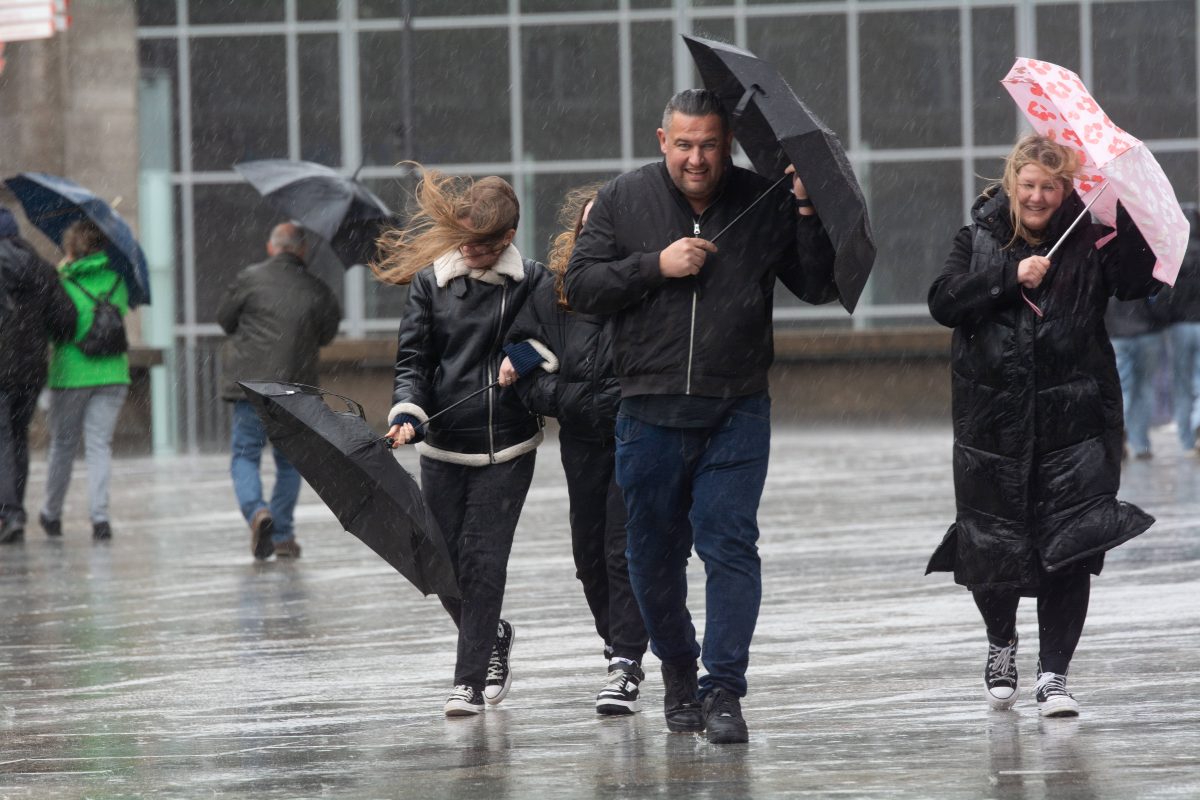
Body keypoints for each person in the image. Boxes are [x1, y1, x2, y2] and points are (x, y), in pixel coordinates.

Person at [563, 89, 839, 744]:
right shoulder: (624, 199)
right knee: (651, 555)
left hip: (736, 405)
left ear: (727, 145)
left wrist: (804, 207)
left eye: (709, 145)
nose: (696, 158)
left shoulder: (762, 197)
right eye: (683, 144)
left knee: (730, 543)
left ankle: (724, 689)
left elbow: (820, 282)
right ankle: (680, 674)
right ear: (663, 141)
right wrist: (655, 265)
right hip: (649, 407)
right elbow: (583, 285)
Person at [926, 133, 1159, 718]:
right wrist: (1009, 278)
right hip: (991, 428)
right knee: (992, 545)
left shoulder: (1090, 242)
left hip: (1075, 425)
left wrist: (1125, 219)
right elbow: (943, 302)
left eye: (1048, 187)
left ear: (1066, 190)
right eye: (1027, 185)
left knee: (1071, 546)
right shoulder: (977, 239)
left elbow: (1140, 283)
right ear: (1011, 185)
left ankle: (1054, 674)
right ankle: (1001, 644)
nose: (1036, 197)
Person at [375, 170, 551, 717]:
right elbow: (414, 362)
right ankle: (491, 634)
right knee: (438, 563)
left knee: (483, 563)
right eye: (464, 240)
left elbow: (554, 338)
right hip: (443, 446)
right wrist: (408, 412)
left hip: (507, 448)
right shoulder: (431, 282)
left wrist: (521, 358)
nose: (471, 251)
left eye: (484, 244)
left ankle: (468, 682)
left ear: (509, 236)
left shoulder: (533, 280)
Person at [499, 185, 650, 715]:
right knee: (589, 555)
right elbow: (519, 360)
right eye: (591, 226)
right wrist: (564, 398)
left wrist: (598, 399)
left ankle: (627, 662)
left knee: (622, 549)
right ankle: (616, 644)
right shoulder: (551, 292)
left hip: (639, 437)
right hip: (581, 443)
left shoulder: (647, 288)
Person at [217, 221, 340, 560]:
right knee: (290, 464)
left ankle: (258, 513)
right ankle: (283, 534)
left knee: (245, 455)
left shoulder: (249, 278)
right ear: (302, 250)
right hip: (294, 390)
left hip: (250, 389)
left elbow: (225, 320)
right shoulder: (316, 287)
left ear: (272, 247)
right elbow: (327, 333)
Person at [38, 220, 132, 541]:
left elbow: (55, 329)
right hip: (113, 373)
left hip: (71, 374)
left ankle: (51, 513)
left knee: (63, 446)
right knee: (99, 445)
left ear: (71, 248)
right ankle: (100, 518)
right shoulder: (118, 279)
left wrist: (61, 272)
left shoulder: (60, 281)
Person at [0, 208, 77, 543]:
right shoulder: (41, 268)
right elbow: (66, 322)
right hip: (30, 371)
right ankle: (13, 510)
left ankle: (9, 512)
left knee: (2, 439)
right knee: (17, 438)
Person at [1105, 296, 1165, 459]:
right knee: (1145, 389)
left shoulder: (1107, 270)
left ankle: (1119, 436)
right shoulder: (1150, 269)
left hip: (1117, 333)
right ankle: (1141, 445)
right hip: (1148, 333)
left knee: (1121, 389)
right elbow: (1162, 298)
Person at [1162, 203, 1200, 452]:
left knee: (1182, 384)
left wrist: (1165, 317)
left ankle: (1187, 440)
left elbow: (1163, 293)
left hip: (1178, 327)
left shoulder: (1172, 254)